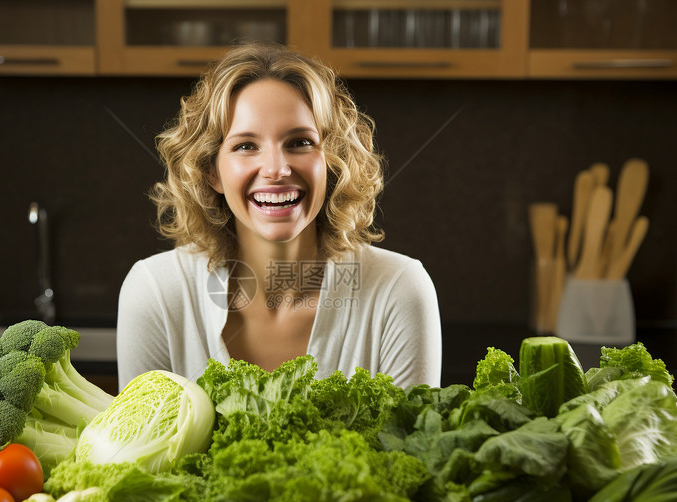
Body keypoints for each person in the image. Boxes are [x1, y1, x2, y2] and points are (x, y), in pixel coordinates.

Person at [117, 42, 441, 391]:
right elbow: (142, 446)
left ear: (333, 162)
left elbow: (407, 446)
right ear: (213, 172)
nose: (276, 169)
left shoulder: (399, 290)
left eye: (300, 142)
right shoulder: (156, 292)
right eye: (245, 146)